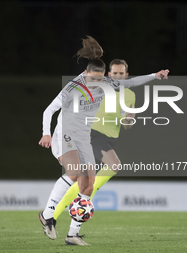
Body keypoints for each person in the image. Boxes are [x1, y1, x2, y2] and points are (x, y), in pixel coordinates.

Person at [38, 36, 169, 245]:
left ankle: (72, 235)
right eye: (93, 79)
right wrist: (46, 133)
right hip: (66, 134)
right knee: (73, 172)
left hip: (83, 136)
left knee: (88, 185)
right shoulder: (73, 87)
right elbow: (50, 109)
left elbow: (131, 81)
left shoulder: (106, 82)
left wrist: (155, 75)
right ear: (86, 74)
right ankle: (47, 215)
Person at [52, 59, 136, 221]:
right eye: (115, 74)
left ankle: (55, 215)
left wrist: (129, 119)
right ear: (109, 75)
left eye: (121, 74)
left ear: (126, 75)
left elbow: (126, 125)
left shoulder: (130, 95)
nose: (118, 77)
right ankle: (83, 200)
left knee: (84, 181)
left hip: (109, 138)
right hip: (92, 134)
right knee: (114, 165)